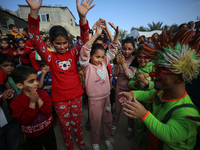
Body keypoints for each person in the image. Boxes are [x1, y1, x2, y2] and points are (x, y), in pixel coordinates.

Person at [25, 0, 95, 149]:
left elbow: (84, 40)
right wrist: (34, 13)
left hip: (76, 97)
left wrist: (82, 18)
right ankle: (69, 145)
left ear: (68, 42)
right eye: (58, 43)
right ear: (51, 43)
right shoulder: (50, 57)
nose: (62, 47)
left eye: (64, 43)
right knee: (65, 125)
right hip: (59, 101)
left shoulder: (74, 53)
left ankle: (80, 142)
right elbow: (35, 39)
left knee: (77, 123)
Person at [119, 28, 200, 150]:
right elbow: (152, 94)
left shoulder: (187, 113)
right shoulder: (163, 93)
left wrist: (144, 115)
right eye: (155, 69)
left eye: (159, 71)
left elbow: (168, 133)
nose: (152, 74)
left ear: (178, 78)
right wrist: (132, 94)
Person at [79, 19, 119, 150]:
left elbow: (113, 48)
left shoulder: (104, 62)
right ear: (90, 57)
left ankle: (107, 139)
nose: (101, 60)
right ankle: (95, 142)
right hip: (94, 100)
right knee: (95, 123)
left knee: (107, 121)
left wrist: (112, 32)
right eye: (97, 57)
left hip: (106, 97)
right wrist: (96, 34)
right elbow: (85, 50)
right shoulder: (86, 66)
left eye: (102, 57)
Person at [10, 66, 57, 150]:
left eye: (37, 79)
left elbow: (47, 111)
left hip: (48, 130)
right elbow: (25, 120)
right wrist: (32, 103)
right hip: (32, 136)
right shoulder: (16, 103)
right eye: (31, 81)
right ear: (20, 85)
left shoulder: (43, 94)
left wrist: (38, 99)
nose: (36, 83)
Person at [128, 45, 154, 149]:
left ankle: (150, 144)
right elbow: (129, 84)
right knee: (138, 125)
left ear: (150, 57)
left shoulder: (154, 68)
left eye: (145, 57)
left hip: (151, 104)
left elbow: (157, 85)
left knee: (150, 126)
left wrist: (147, 82)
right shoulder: (136, 68)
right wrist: (136, 82)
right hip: (138, 103)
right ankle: (138, 142)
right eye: (140, 57)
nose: (142, 59)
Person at [111, 38, 137, 137]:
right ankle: (114, 125)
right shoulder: (119, 57)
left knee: (130, 110)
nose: (126, 51)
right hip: (119, 89)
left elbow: (130, 75)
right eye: (125, 49)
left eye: (129, 49)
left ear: (134, 49)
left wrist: (122, 64)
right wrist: (117, 63)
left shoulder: (135, 59)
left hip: (131, 91)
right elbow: (114, 73)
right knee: (117, 110)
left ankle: (130, 127)